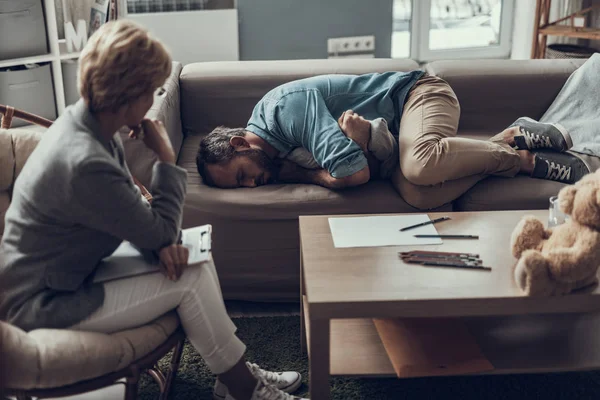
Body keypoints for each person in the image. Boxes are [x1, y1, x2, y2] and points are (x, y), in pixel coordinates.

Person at [0, 21, 306, 400]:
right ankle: (242, 388)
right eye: (155, 89)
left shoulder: (85, 125)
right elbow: (160, 232)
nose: (156, 97)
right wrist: (164, 157)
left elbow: (147, 226)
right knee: (189, 276)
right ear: (131, 94)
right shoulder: (86, 159)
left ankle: (233, 375)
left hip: (67, 273)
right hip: (42, 302)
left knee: (196, 252)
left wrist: (162, 240)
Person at [196, 70, 593, 209]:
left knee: (420, 164)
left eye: (242, 175)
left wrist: (313, 176)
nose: (251, 185)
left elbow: (354, 175)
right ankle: (510, 137)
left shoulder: (284, 111)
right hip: (401, 137)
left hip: (418, 95)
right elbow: (360, 166)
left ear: (238, 145)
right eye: (242, 187)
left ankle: (523, 160)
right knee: (419, 194)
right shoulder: (275, 149)